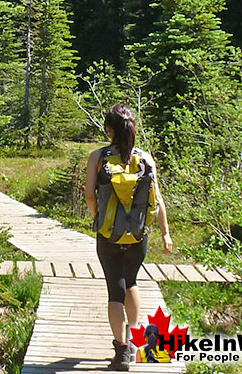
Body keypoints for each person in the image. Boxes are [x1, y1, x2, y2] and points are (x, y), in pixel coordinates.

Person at [84, 104, 172, 371]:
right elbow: (157, 200)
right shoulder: (146, 159)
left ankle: (121, 349)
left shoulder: (97, 157)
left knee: (115, 288)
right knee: (131, 282)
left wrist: (99, 216)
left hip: (108, 233)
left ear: (108, 129)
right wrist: (166, 233)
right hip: (138, 235)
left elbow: (89, 193)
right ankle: (133, 339)